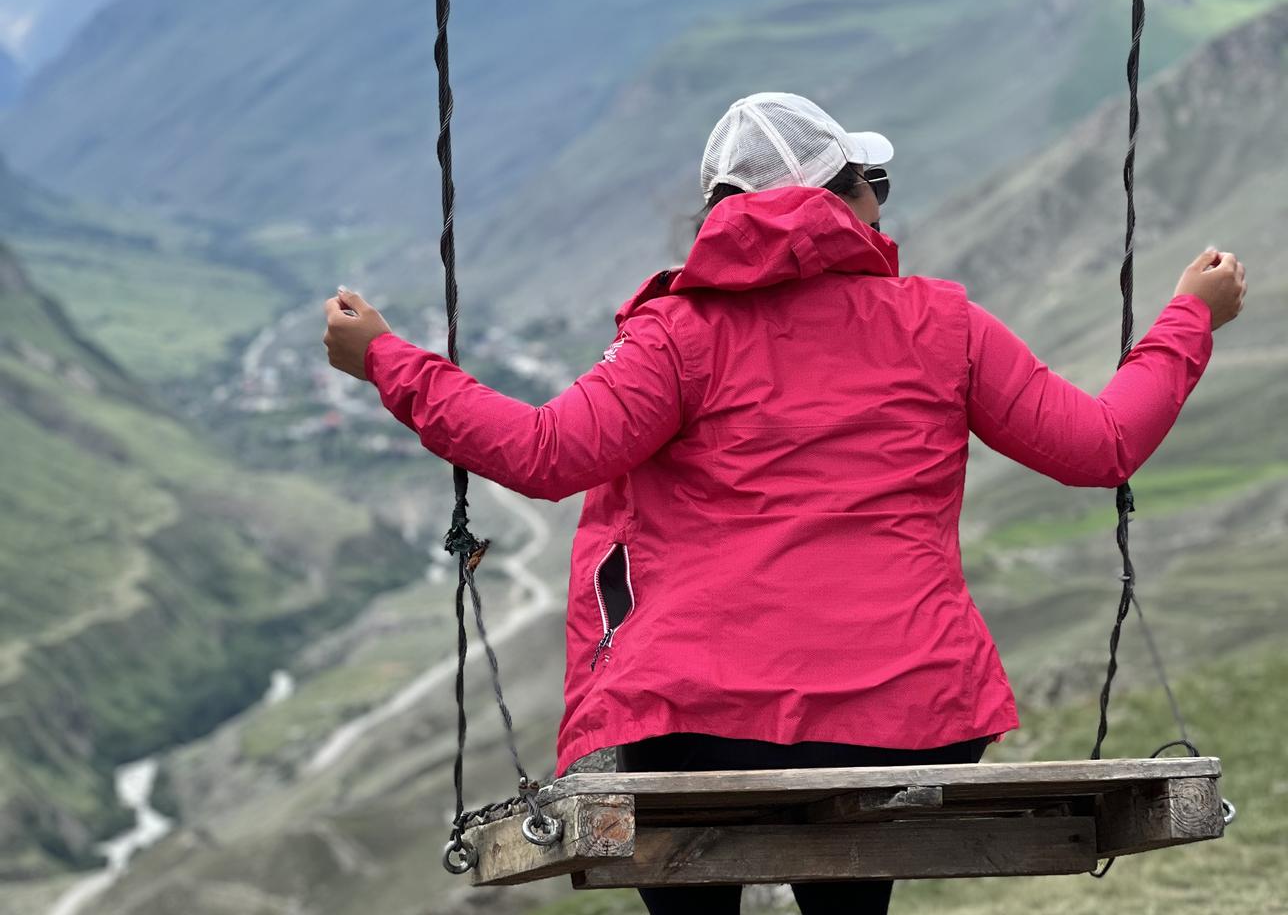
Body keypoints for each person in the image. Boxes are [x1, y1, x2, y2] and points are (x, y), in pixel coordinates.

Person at [322, 92, 1247, 914]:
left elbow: (542, 452)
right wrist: (1188, 315)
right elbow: (1102, 445)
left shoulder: (678, 336)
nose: (884, 200)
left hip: (698, 725)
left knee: (685, 845)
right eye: (874, 178)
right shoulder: (943, 323)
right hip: (913, 723)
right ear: (843, 198)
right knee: (850, 870)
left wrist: (387, 360)